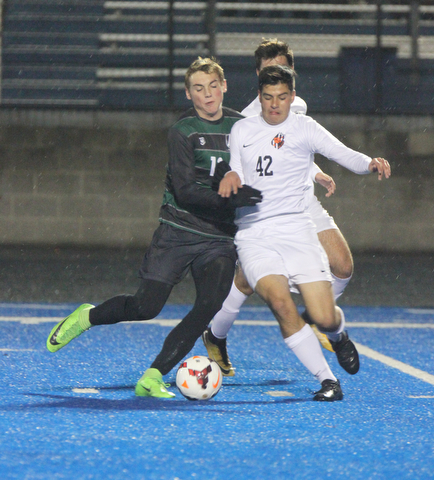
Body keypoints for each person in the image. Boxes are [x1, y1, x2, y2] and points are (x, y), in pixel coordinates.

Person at [46, 57, 262, 399]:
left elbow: (271, 163)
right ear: (188, 94)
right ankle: (89, 316)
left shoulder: (246, 127)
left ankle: (152, 375)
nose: (207, 94)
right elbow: (187, 192)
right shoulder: (182, 131)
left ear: (225, 86)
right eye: (198, 89)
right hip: (178, 230)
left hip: (220, 238)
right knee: (145, 308)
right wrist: (235, 199)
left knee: (209, 304)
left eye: (212, 86)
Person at [217, 65, 391, 400]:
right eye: (268, 97)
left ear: (292, 97)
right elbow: (236, 170)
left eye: (282, 97)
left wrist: (369, 162)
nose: (274, 104)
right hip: (255, 235)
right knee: (281, 304)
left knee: (325, 317)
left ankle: (338, 336)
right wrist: (230, 180)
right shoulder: (242, 130)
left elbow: (342, 153)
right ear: (260, 97)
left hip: (299, 233)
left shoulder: (304, 127)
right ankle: (328, 381)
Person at [202, 38, 354, 376]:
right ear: (258, 74)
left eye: (283, 68)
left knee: (342, 266)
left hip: (302, 203)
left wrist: (315, 172)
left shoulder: (295, 103)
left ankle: (317, 316)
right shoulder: (247, 120)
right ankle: (215, 333)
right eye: (269, 70)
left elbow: (294, 146)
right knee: (247, 281)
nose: (277, 74)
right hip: (265, 212)